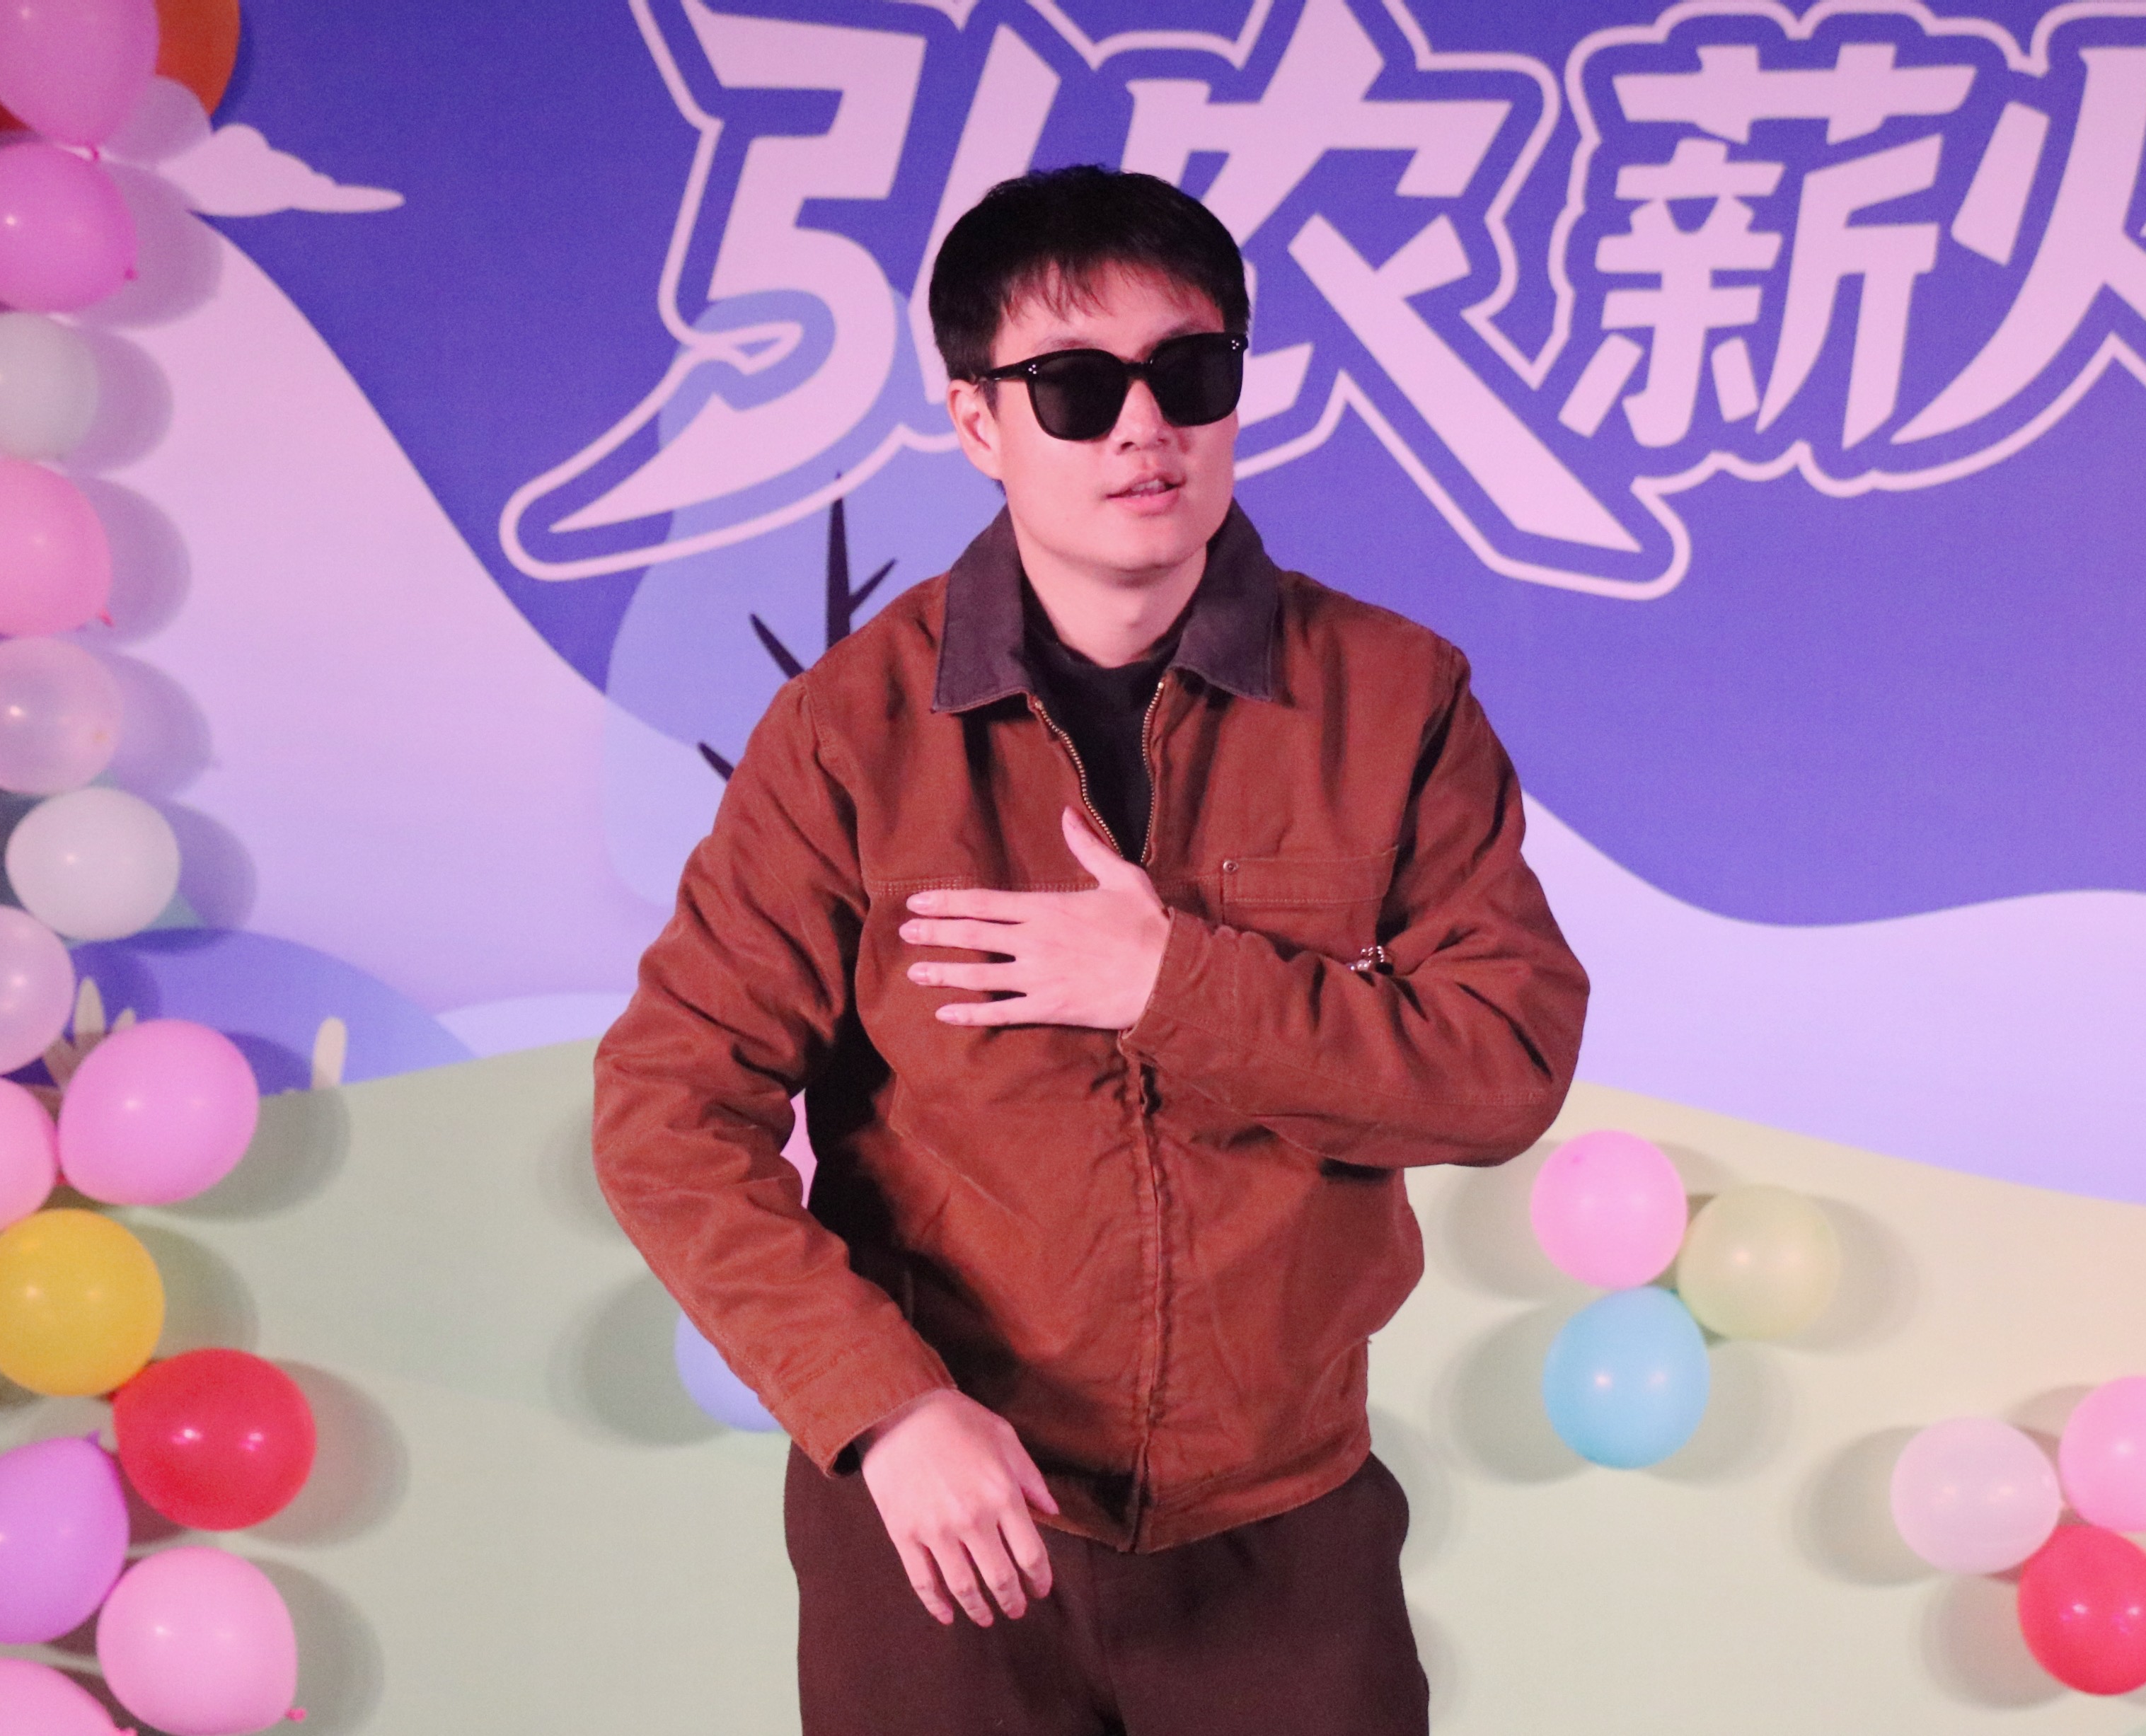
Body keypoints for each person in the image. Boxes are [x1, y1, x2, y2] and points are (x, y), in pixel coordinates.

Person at [592, 164, 1588, 1736]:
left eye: (1189, 374)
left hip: (1284, 1525)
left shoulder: (1397, 699)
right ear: (978, 420)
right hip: (945, 1528)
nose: (1144, 430)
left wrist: (1170, 984)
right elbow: (666, 1111)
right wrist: (885, 1409)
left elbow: (1506, 1066)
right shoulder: (850, 733)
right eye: (1075, 386)